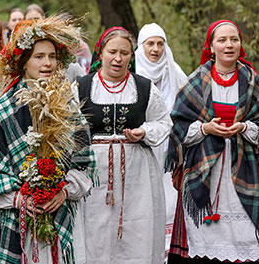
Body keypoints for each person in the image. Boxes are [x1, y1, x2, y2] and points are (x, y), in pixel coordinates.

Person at [0, 16, 98, 264]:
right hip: (16, 217)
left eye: (52, 56)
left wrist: (63, 190)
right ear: (24, 62)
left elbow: (84, 163)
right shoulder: (3, 110)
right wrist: (20, 198)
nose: (47, 63)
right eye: (39, 56)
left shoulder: (68, 107)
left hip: (60, 210)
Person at [167, 20, 259, 263]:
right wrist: (206, 128)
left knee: (245, 239)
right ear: (211, 46)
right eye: (222, 40)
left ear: (241, 44)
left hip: (245, 169)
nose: (229, 45)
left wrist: (245, 127)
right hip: (206, 169)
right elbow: (178, 127)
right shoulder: (196, 81)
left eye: (234, 39)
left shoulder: (253, 82)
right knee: (205, 245)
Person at [79, 27, 172, 264]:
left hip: (137, 175)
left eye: (124, 53)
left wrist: (144, 131)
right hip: (93, 173)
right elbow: (68, 127)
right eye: (112, 52)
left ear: (132, 55)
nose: (118, 59)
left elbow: (163, 122)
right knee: (95, 229)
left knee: (136, 228)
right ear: (100, 53)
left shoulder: (144, 87)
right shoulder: (81, 87)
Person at [134, 23, 187, 260]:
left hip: (169, 149)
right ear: (140, 46)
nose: (155, 49)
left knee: (168, 200)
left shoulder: (174, 71)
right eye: (150, 44)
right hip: (139, 145)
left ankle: (166, 251)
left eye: (160, 44)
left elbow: (187, 106)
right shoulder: (132, 69)